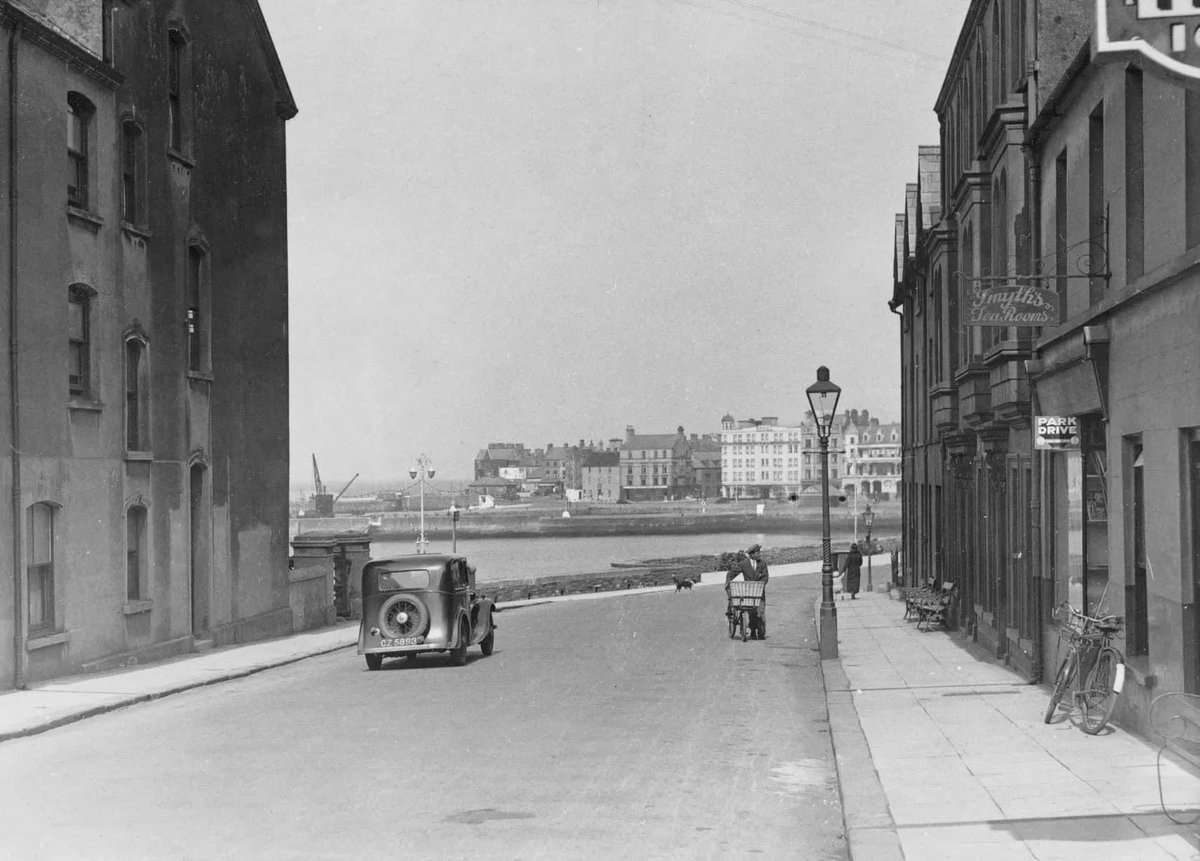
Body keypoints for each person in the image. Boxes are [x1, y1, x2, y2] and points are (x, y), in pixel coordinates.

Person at [725, 543, 769, 639]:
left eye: (759, 552)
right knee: (752, 613)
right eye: (758, 552)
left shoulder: (763, 564)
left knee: (760, 613)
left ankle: (761, 634)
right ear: (752, 554)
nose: (759, 554)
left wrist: (760, 585)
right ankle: (753, 631)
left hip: (760, 593)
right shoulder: (744, 564)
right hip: (748, 593)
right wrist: (728, 582)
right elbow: (732, 573)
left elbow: (765, 577)